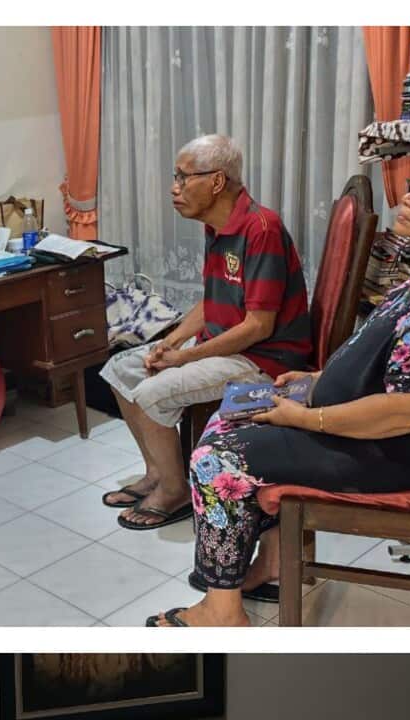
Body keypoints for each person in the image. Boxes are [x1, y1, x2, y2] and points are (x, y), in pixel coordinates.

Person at [149, 134, 410, 627]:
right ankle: (267, 565)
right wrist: (315, 380)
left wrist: (309, 416)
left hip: (396, 448)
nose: (404, 201)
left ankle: (221, 610)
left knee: (215, 457)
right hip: (369, 424)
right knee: (234, 412)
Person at [99, 134, 312, 531]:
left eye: (183, 177)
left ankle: (175, 490)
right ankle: (157, 474)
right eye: (174, 177)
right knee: (119, 369)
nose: (173, 188)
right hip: (226, 348)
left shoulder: (261, 229)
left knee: (149, 392)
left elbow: (258, 326)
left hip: (265, 363)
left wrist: (184, 358)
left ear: (216, 182)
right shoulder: (218, 226)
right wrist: (171, 340)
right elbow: (214, 300)